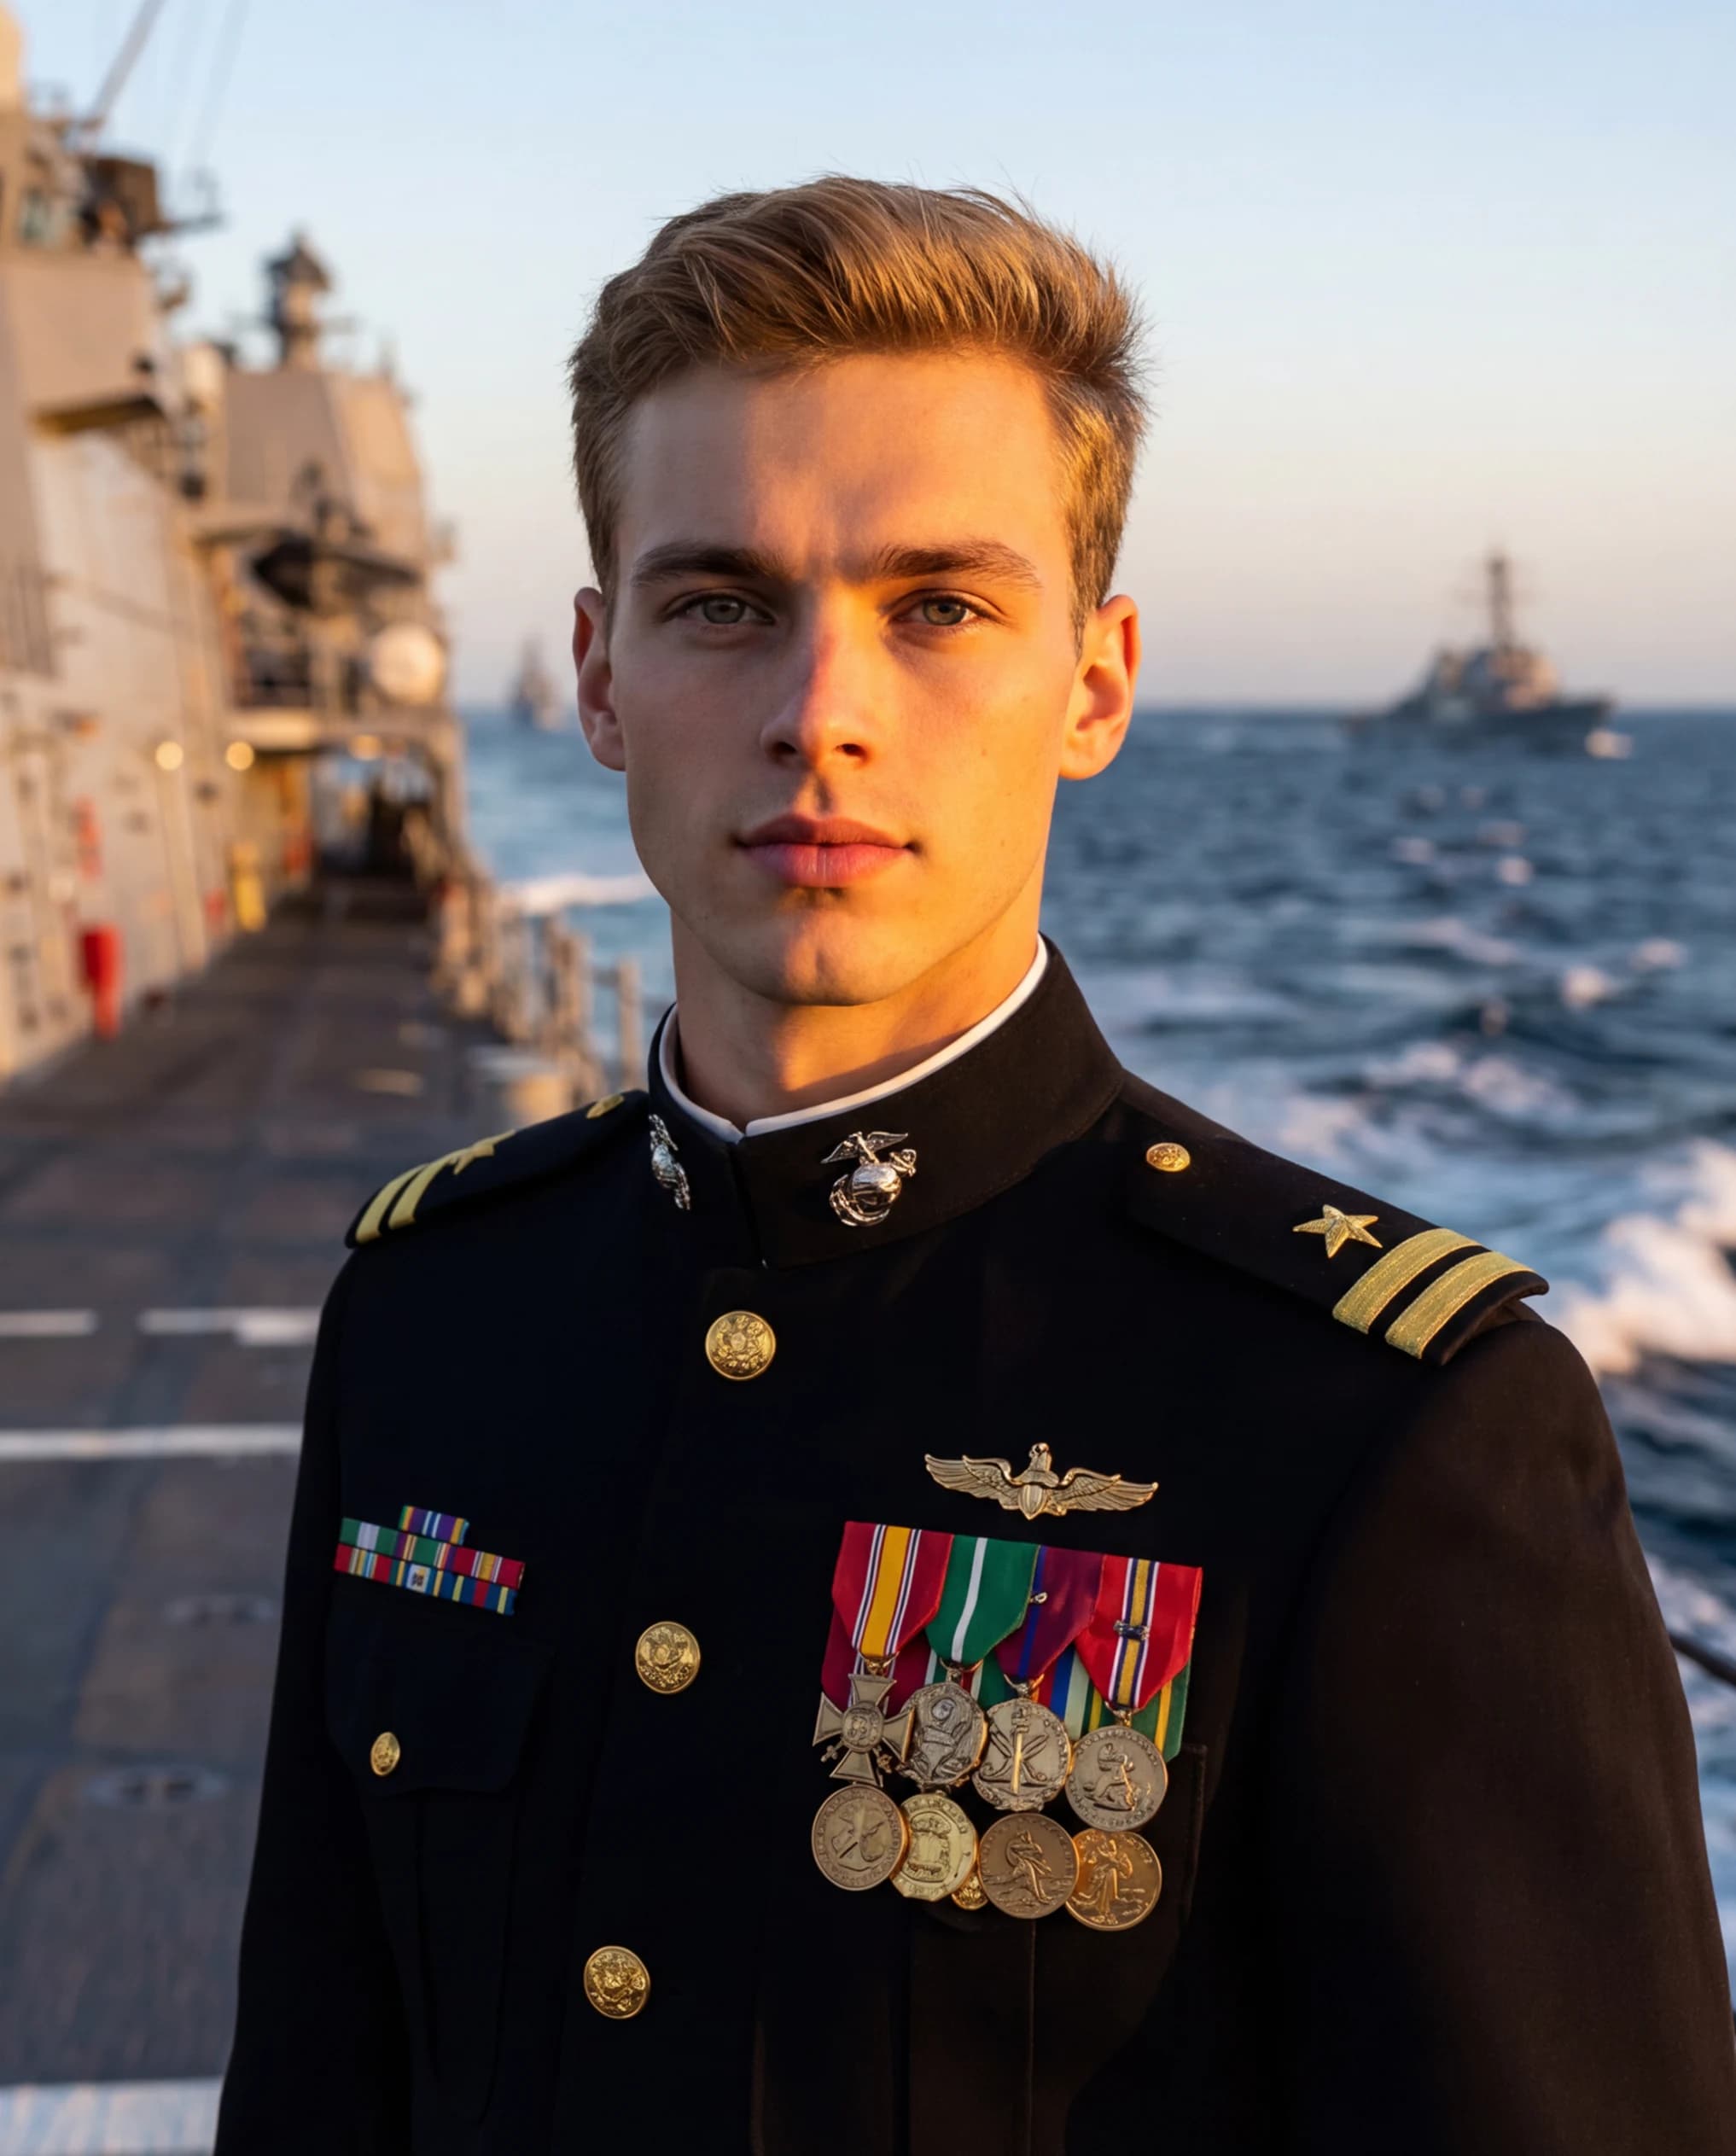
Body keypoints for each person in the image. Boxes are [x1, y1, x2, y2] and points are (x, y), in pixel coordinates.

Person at [215, 178, 1735, 2154]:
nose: (819, 714)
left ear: (1092, 683)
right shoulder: (435, 1315)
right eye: (721, 604)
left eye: (939, 606)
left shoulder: (1385, 1422)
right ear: (598, 677)